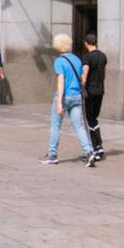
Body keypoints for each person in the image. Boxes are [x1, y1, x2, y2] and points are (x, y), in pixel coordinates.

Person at [41, 33, 96, 167]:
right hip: (77, 96)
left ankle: (53, 155)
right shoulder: (77, 59)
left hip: (64, 96)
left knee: (56, 126)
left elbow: (61, 81)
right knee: (79, 126)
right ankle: (89, 152)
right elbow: (83, 80)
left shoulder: (59, 61)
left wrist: (59, 102)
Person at [82, 34, 107, 160]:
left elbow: (84, 76)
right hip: (100, 90)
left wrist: (81, 86)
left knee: (89, 118)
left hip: (90, 91)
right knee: (94, 118)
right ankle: (99, 146)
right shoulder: (103, 56)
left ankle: (96, 147)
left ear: (86, 43)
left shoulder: (87, 57)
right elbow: (103, 74)